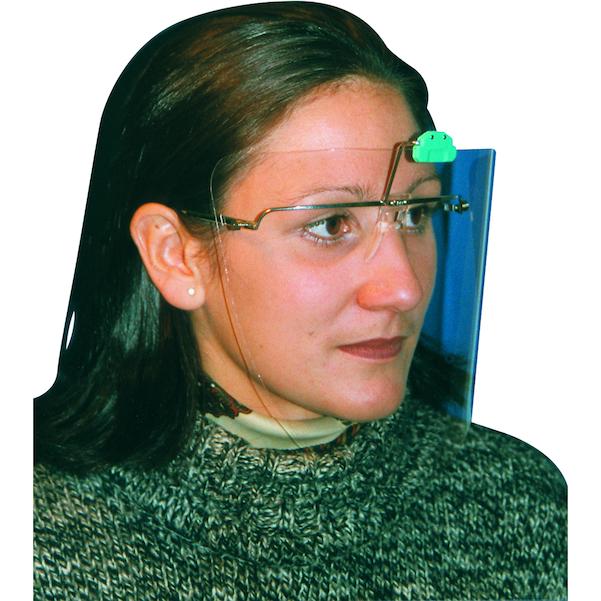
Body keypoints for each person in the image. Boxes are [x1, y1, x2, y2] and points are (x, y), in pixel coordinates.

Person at [33, 3, 567, 599]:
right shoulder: (40, 544)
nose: (405, 288)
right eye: (331, 224)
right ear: (176, 255)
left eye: (417, 213)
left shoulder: (523, 501)